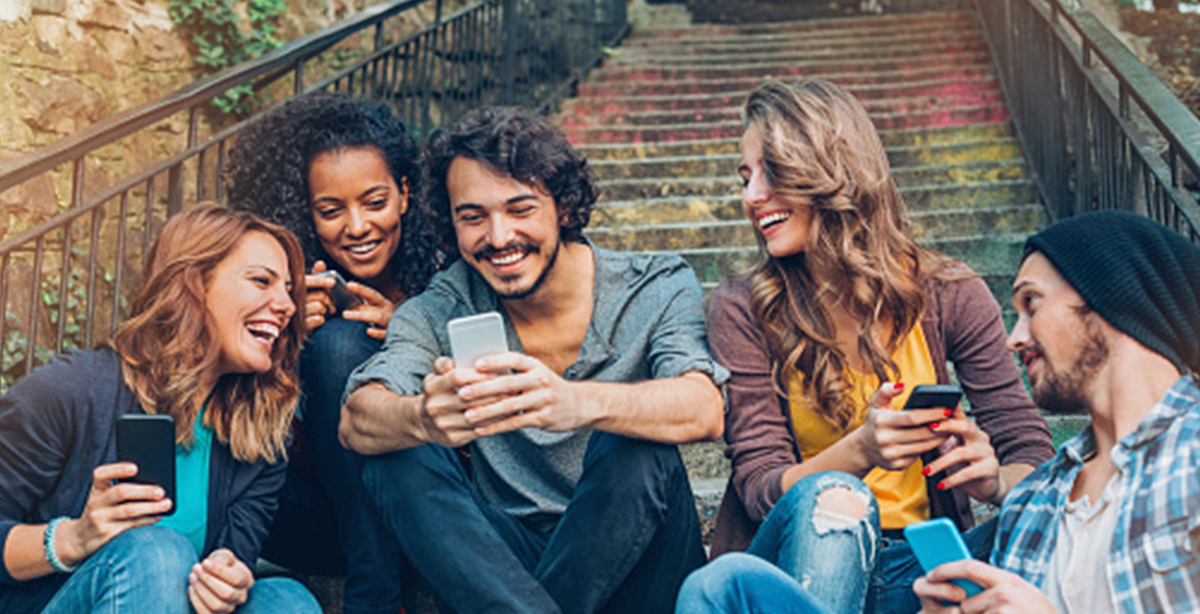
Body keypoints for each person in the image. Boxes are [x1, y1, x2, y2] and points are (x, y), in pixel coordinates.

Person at [338, 106, 729, 614]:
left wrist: (576, 403)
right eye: (472, 217)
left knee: (637, 441)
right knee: (398, 454)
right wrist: (422, 417)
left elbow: (704, 407)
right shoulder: (441, 306)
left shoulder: (652, 285)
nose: (498, 238)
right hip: (504, 567)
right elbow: (356, 421)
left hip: (643, 560)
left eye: (520, 209)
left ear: (563, 207)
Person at [689, 79, 1054, 614]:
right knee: (836, 500)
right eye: (745, 178)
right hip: (797, 567)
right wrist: (861, 451)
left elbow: (1031, 454)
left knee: (1047, 522)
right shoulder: (741, 307)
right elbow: (762, 490)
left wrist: (995, 481)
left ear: (832, 169)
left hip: (923, 569)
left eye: (771, 172)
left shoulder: (950, 293)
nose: (750, 197)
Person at [0, 204, 321, 614]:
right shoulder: (72, 389)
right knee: (157, 553)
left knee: (287, 601)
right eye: (262, 281)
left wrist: (229, 582)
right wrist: (72, 539)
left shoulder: (259, 432)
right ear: (194, 284)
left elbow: (235, 559)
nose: (288, 305)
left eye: (289, 290)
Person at [911, 210, 1200, 614]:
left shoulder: (1191, 458)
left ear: (1110, 294)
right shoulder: (1031, 501)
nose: (1014, 338)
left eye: (1031, 303)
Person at [225, 93, 443, 614]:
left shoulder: (446, 278)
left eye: (374, 202)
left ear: (405, 193)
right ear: (307, 211)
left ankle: (376, 599)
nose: (357, 227)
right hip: (320, 521)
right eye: (330, 210)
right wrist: (280, 332)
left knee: (346, 341)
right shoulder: (279, 289)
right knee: (333, 342)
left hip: (431, 510)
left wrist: (409, 331)